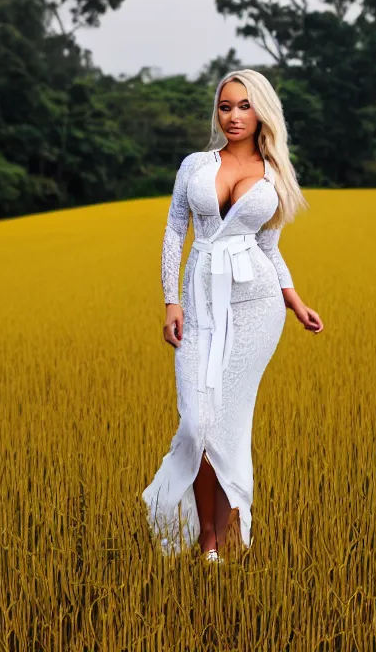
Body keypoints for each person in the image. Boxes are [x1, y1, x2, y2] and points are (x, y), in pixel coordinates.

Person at [142, 69, 324, 563]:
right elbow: (174, 230)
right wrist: (170, 300)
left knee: (228, 426)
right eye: (225, 107)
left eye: (244, 106)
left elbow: (268, 248)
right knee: (198, 423)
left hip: (256, 308)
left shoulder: (275, 174)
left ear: (261, 110)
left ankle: (216, 546)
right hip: (198, 304)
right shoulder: (196, 165)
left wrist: (294, 299)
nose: (234, 116)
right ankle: (204, 535)